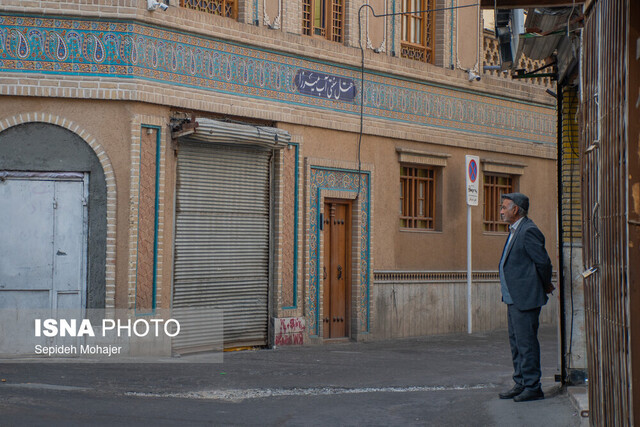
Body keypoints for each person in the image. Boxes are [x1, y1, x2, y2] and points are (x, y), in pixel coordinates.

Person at [497, 192, 553, 402]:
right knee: (516, 343)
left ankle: (532, 386)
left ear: (516, 210)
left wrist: (544, 284)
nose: (501, 211)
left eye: (504, 207)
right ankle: (520, 382)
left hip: (526, 297)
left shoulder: (528, 230)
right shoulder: (514, 230)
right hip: (513, 297)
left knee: (527, 343)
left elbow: (543, 262)